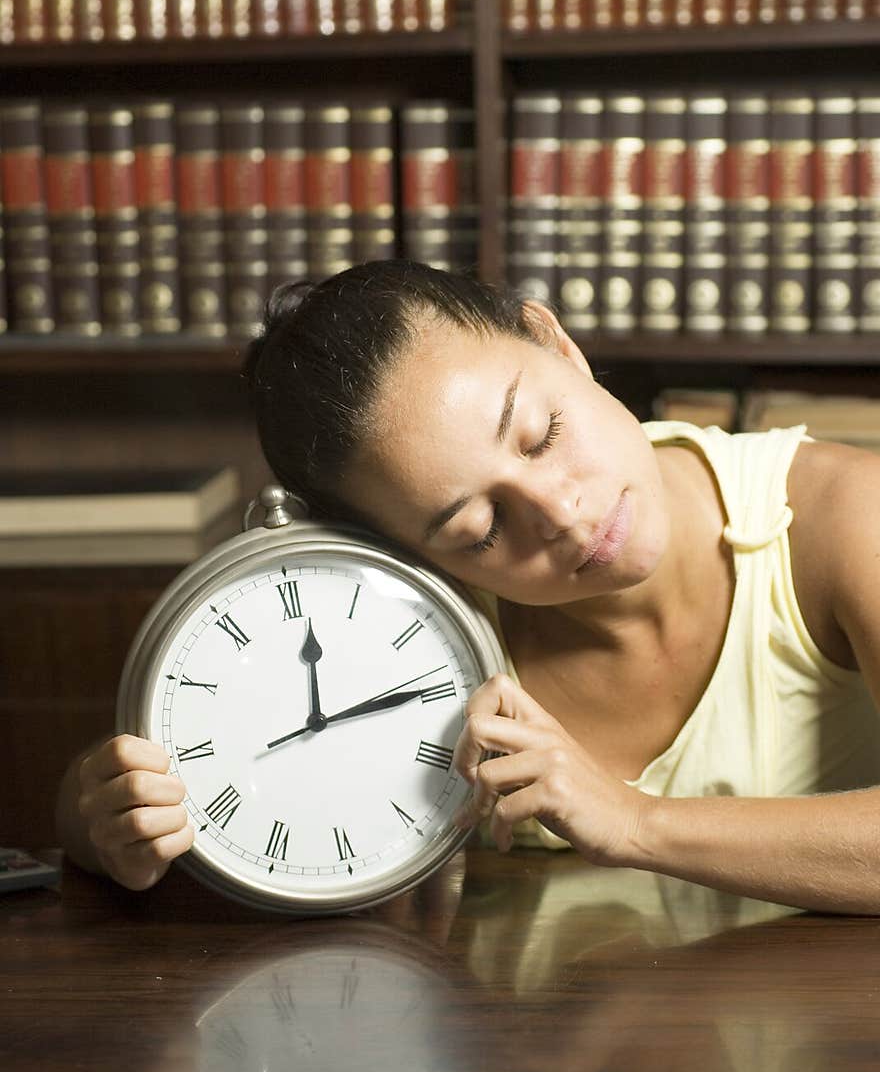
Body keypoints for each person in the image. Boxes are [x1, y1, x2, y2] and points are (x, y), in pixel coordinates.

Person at [55, 260, 880, 912]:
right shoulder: (402, 634)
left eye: (539, 432)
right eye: (478, 529)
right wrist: (105, 820)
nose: (560, 512)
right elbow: (196, 778)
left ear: (555, 341)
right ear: (405, 557)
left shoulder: (846, 512)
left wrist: (633, 821)